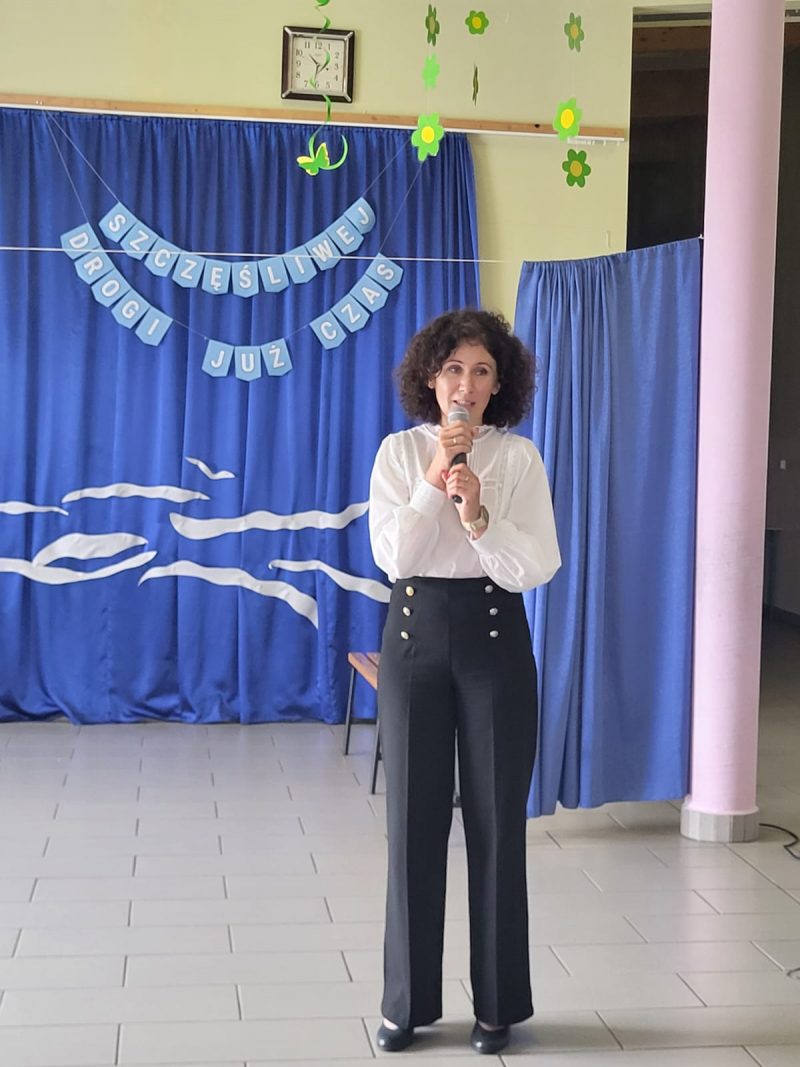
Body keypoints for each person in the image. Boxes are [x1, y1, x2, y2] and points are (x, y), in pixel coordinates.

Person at [368, 308, 561, 1055]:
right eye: (454, 369)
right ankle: (406, 1003)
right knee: (412, 823)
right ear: (430, 377)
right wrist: (431, 482)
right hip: (413, 638)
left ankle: (498, 1004)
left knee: (495, 824)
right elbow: (395, 558)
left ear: (500, 384)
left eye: (482, 371)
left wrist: (477, 515)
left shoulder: (519, 458)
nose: (466, 385)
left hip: (494, 642)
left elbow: (535, 567)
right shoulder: (398, 452)